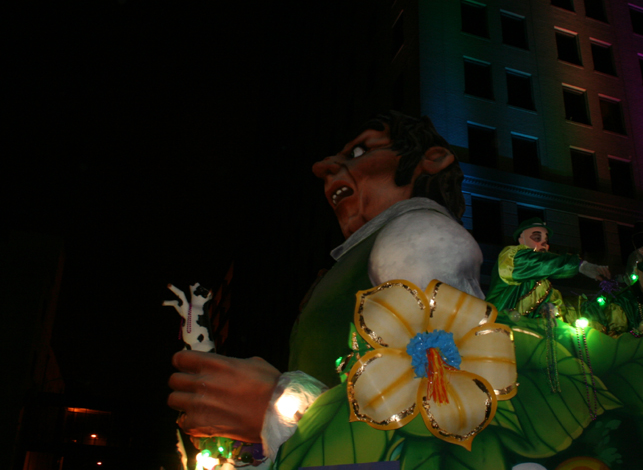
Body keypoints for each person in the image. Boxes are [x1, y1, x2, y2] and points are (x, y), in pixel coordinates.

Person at [167, 111, 484, 450]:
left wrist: (274, 407)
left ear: (431, 160)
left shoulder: (418, 233)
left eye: (361, 152)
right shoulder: (358, 258)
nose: (323, 167)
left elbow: (442, 403)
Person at [485, 217, 610, 321]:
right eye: (537, 238)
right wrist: (578, 264)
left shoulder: (545, 285)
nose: (544, 244)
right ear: (520, 240)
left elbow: (561, 309)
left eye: (546, 240)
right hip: (497, 331)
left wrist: (553, 309)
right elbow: (535, 262)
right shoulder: (510, 257)